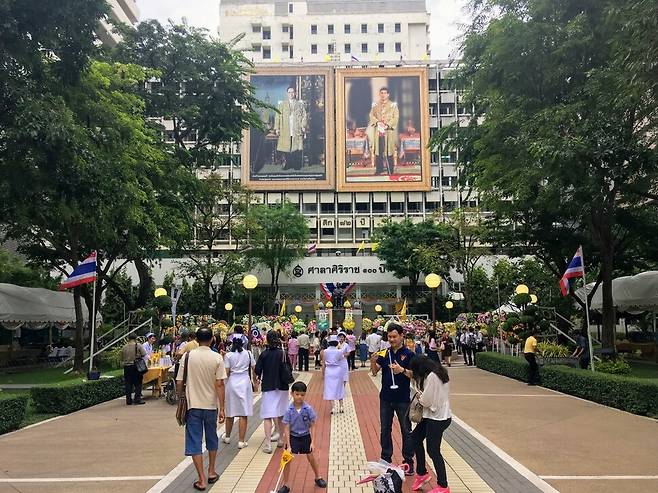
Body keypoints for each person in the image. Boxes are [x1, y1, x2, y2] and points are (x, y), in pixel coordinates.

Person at [176, 328, 226, 491]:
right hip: (211, 406)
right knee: (212, 438)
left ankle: (201, 479)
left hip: (192, 406)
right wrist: (222, 408)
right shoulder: (217, 357)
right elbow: (219, 384)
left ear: (196, 339)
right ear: (212, 339)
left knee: (194, 441)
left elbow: (179, 382)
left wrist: (180, 398)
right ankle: (212, 471)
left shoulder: (187, 356)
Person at [371, 323, 415, 474]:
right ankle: (385, 459)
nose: (391, 339)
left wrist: (401, 370)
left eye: (394, 336)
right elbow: (375, 371)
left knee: (406, 430)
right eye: (389, 337)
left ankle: (408, 461)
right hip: (386, 397)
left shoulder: (408, 354)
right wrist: (373, 360)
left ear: (402, 336)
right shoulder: (384, 353)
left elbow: (414, 375)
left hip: (403, 398)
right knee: (385, 429)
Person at [406, 355, 452, 493]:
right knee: (415, 438)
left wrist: (419, 396)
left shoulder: (432, 377)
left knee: (433, 451)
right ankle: (421, 473)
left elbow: (427, 401)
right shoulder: (438, 371)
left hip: (437, 418)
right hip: (434, 415)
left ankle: (443, 485)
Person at [277, 381, 328, 493]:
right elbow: (286, 427)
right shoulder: (289, 410)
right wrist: (288, 445)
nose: (299, 397)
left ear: (305, 394)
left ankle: (318, 477)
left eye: (302, 394)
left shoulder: (308, 409)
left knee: (311, 457)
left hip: (305, 436)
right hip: (293, 437)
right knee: (287, 459)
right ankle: (286, 484)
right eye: (297, 394)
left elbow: (313, 425)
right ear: (292, 393)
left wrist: (312, 442)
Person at [255, 331, 291, 453]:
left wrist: (258, 379)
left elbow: (258, 370)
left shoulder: (264, 354)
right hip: (282, 387)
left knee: (267, 416)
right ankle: (281, 439)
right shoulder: (283, 353)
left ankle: (268, 444)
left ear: (268, 340)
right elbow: (289, 368)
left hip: (268, 387)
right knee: (281, 414)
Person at [221, 333, 256, 449]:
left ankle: (227, 436)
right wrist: (255, 382)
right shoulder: (248, 354)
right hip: (244, 382)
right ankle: (241, 441)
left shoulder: (229, 355)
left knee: (230, 411)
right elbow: (254, 369)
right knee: (243, 413)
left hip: (232, 383)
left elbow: (226, 372)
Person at [367, 87, 399, 175]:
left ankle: (390, 170)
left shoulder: (393, 105)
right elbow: (371, 116)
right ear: (379, 94)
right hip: (378, 131)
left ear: (388, 94)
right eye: (381, 93)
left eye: (385, 93)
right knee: (379, 151)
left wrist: (387, 125)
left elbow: (395, 117)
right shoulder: (375, 105)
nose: (383, 95)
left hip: (388, 131)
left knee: (388, 150)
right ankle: (379, 169)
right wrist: (377, 122)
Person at [274, 86, 307, 170]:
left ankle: (296, 165)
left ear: (295, 93)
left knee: (295, 147)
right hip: (285, 128)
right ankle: (287, 164)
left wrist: (303, 126)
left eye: (292, 92)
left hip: (296, 128)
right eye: (289, 92)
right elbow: (277, 116)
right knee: (286, 147)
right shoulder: (282, 104)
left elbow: (304, 116)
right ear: (287, 93)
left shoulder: (300, 104)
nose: (291, 94)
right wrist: (277, 128)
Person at [321, 335, 346, 414]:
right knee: (340, 387)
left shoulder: (325, 351)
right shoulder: (339, 351)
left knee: (330, 388)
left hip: (329, 370)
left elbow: (323, 363)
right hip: (337, 370)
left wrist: (323, 373)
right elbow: (341, 359)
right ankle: (341, 406)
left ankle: (333, 407)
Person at [121, 333, 146, 405]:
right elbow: (144, 354)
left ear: (128, 339)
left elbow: (122, 357)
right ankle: (137, 399)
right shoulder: (138, 345)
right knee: (138, 383)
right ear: (135, 338)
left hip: (127, 367)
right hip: (136, 366)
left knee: (128, 383)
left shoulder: (124, 347)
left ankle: (128, 400)